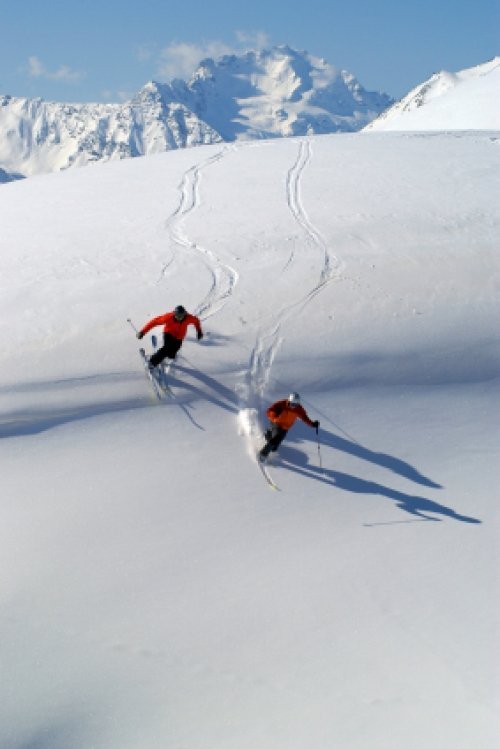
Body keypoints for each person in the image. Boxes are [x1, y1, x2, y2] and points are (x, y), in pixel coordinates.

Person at [136, 305, 203, 368]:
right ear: (174, 314)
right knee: (167, 348)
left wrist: (199, 331)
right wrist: (142, 332)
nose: (179, 318)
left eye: (181, 316)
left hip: (179, 337)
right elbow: (154, 322)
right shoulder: (168, 317)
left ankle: (163, 355)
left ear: (184, 315)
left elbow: (196, 321)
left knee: (171, 355)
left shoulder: (189, 318)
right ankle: (152, 362)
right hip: (169, 333)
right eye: (177, 316)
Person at [259, 392, 319, 461]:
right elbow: (270, 411)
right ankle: (263, 454)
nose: (293, 406)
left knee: (274, 448)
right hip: (277, 423)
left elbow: (304, 417)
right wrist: (274, 417)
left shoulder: (299, 409)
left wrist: (312, 424)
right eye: (292, 404)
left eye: (295, 405)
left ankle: (268, 433)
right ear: (289, 401)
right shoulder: (282, 404)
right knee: (276, 438)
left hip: (285, 428)